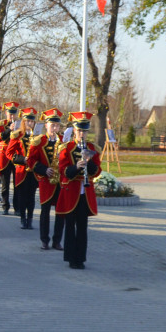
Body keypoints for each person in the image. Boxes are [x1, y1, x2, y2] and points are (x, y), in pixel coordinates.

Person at [55, 111, 102, 270]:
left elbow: (97, 171)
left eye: (84, 131)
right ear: (74, 130)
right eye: (79, 130)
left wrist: (88, 165)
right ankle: (70, 257)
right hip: (71, 190)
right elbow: (63, 171)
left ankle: (80, 258)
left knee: (82, 226)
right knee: (70, 226)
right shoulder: (66, 147)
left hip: (85, 193)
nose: (82, 134)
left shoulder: (92, 148)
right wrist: (76, 167)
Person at [29, 109, 66, 251]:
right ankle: (44, 240)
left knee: (60, 212)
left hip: (60, 182)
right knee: (45, 212)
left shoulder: (63, 141)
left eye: (57, 126)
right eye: (52, 125)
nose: (55, 128)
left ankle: (57, 240)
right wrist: (44, 170)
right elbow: (31, 161)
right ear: (46, 125)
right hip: (46, 181)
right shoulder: (38, 141)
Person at [5, 107, 39, 230]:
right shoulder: (17, 135)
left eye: (32, 121)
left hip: (33, 171)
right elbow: (9, 153)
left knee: (31, 196)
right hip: (21, 170)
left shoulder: (38, 137)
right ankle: (22, 219)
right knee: (22, 196)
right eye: (28, 121)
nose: (30, 124)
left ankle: (30, 219)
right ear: (23, 122)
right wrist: (21, 159)